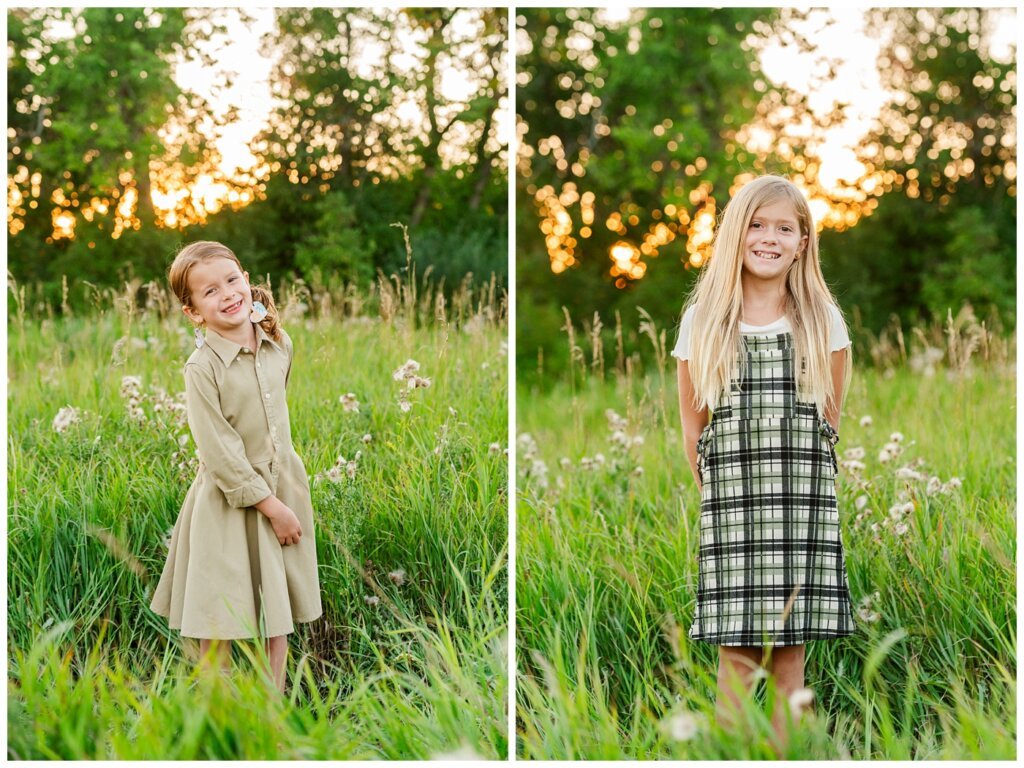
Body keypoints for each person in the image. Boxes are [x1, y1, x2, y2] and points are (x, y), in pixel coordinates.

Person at [672, 175, 855, 751]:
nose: (769, 238)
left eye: (784, 227)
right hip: (733, 501)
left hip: (800, 500)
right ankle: (728, 755)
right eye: (756, 224)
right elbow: (692, 424)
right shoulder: (704, 320)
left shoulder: (821, 319)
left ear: (803, 241)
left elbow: (830, 414)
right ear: (735, 234)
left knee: (790, 648)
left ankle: (785, 754)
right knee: (737, 651)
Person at [151, 240, 322, 693]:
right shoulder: (201, 367)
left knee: (275, 618)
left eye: (231, 280)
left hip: (280, 485)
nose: (226, 293)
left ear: (247, 281)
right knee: (218, 618)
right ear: (193, 313)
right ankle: (218, 715)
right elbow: (221, 452)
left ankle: (271, 716)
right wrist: (273, 507)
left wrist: (284, 497)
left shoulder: (279, 343)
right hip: (229, 502)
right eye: (209, 292)